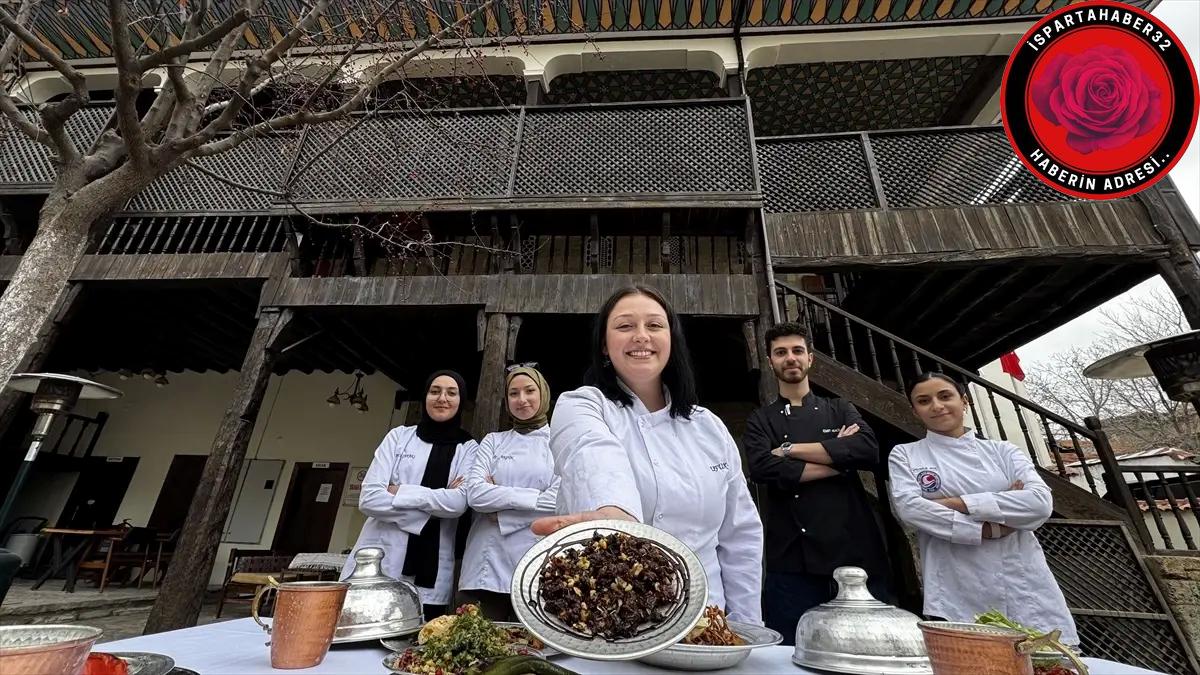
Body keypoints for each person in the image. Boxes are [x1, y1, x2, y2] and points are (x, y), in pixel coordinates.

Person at [534, 285, 764, 624]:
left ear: (672, 338)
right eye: (625, 326)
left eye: (654, 325)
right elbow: (593, 451)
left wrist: (746, 626)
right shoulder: (581, 404)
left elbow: (739, 534)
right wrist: (616, 515)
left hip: (704, 621)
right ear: (604, 344)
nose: (641, 336)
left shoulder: (709, 426)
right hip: (607, 622)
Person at [888, 372, 1078, 644]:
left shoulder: (1004, 452)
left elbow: (1039, 503)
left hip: (1021, 580)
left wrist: (955, 503)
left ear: (965, 401)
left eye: (945, 396)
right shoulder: (906, 454)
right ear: (915, 410)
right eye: (924, 400)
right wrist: (992, 528)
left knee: (1045, 663)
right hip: (954, 585)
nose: (937, 406)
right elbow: (911, 510)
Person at [742, 321, 891, 644]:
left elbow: (867, 449)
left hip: (854, 556)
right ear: (770, 361)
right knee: (791, 650)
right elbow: (763, 468)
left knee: (866, 647)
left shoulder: (839, 409)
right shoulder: (761, 419)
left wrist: (788, 450)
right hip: (793, 557)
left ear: (811, 358)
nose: (790, 358)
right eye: (780, 353)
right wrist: (840, 461)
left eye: (797, 351)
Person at [341, 370, 478, 619]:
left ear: (461, 401)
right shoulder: (398, 437)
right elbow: (369, 499)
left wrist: (399, 491)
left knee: (419, 647)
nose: (442, 398)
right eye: (435, 391)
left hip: (432, 569)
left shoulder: (468, 448)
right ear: (425, 397)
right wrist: (435, 503)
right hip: (383, 561)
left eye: (451, 392)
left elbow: (458, 504)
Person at [458, 365, 559, 621]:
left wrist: (501, 512)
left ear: (543, 394)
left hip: (537, 564)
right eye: (513, 393)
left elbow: (560, 502)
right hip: (484, 565)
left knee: (527, 652)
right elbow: (476, 495)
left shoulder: (559, 443)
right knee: (476, 648)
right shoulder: (493, 440)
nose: (521, 399)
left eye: (529, 391)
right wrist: (534, 497)